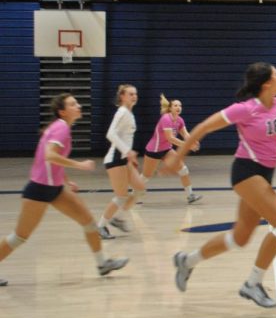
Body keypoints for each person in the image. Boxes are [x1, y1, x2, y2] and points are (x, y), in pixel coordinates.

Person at [170, 62, 276, 308]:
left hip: (266, 174)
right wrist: (178, 157)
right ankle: (252, 284)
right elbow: (202, 128)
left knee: (239, 237)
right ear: (266, 83)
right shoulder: (245, 109)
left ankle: (186, 261)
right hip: (246, 172)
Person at [0, 93, 128, 284]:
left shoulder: (61, 128)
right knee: (19, 237)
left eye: (77, 103)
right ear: (62, 111)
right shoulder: (60, 128)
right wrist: (80, 165)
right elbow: (50, 156)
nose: (78, 106)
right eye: (72, 104)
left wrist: (66, 181)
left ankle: (102, 264)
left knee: (89, 223)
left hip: (56, 188)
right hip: (39, 189)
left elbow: (53, 161)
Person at [97, 84, 146, 239]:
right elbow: (110, 134)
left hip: (125, 160)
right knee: (121, 196)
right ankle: (100, 226)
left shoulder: (129, 114)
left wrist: (129, 155)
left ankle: (118, 218)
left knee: (140, 188)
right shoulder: (122, 112)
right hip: (115, 159)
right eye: (130, 94)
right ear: (122, 96)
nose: (134, 96)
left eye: (135, 94)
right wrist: (127, 151)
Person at [140, 94, 203, 205]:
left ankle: (190, 195)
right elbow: (171, 138)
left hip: (166, 150)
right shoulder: (166, 118)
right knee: (146, 176)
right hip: (154, 150)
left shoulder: (180, 120)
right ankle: (132, 194)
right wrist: (187, 145)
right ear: (170, 108)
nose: (178, 107)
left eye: (180, 105)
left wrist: (193, 141)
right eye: (175, 105)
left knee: (183, 169)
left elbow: (185, 134)